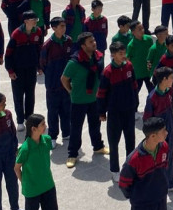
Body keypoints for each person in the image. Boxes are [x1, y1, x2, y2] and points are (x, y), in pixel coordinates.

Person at [15, 113, 66, 210]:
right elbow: (17, 168)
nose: (46, 126)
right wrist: (24, 182)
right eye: (43, 124)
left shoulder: (47, 140)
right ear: (33, 129)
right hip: (32, 190)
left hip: (48, 185)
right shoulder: (25, 149)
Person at [61, 32, 108, 168]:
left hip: (95, 99)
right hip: (79, 100)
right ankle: (72, 154)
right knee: (76, 128)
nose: (94, 43)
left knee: (95, 125)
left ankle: (98, 146)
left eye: (94, 40)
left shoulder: (99, 57)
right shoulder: (74, 62)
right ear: (83, 46)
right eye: (90, 42)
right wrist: (71, 91)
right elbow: (64, 79)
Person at [98, 41, 139, 183]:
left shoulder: (129, 66)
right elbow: (101, 93)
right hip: (115, 112)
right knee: (114, 142)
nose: (123, 55)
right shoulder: (108, 72)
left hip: (129, 110)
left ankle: (130, 167)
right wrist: (101, 112)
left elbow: (134, 85)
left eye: (124, 52)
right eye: (120, 53)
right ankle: (115, 170)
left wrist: (135, 102)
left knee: (130, 140)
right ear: (113, 55)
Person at [143, 66, 173, 194]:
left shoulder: (169, 91)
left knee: (169, 155)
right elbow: (147, 120)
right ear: (164, 79)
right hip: (158, 134)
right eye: (171, 78)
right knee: (157, 159)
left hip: (170, 128)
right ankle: (156, 185)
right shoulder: (152, 98)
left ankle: (171, 183)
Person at [5, 10, 44, 132]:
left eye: (36, 20)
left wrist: (40, 66)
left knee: (30, 94)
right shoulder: (17, 34)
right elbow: (8, 53)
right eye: (33, 20)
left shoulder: (38, 31)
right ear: (26, 21)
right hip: (18, 69)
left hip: (31, 68)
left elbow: (40, 49)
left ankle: (29, 118)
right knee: (18, 95)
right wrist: (10, 70)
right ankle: (20, 121)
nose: (36, 22)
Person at [39, 18, 73, 149]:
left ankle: (66, 133)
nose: (64, 28)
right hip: (53, 85)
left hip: (67, 83)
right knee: (53, 111)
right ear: (54, 28)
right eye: (61, 26)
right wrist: (52, 76)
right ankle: (53, 137)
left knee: (66, 109)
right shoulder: (47, 45)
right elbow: (42, 64)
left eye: (64, 26)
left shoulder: (68, 41)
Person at [126, 21, 155, 102]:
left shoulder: (149, 39)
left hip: (149, 72)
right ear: (133, 32)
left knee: (153, 93)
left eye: (142, 28)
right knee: (135, 93)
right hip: (137, 74)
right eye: (139, 29)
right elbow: (128, 60)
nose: (142, 30)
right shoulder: (131, 45)